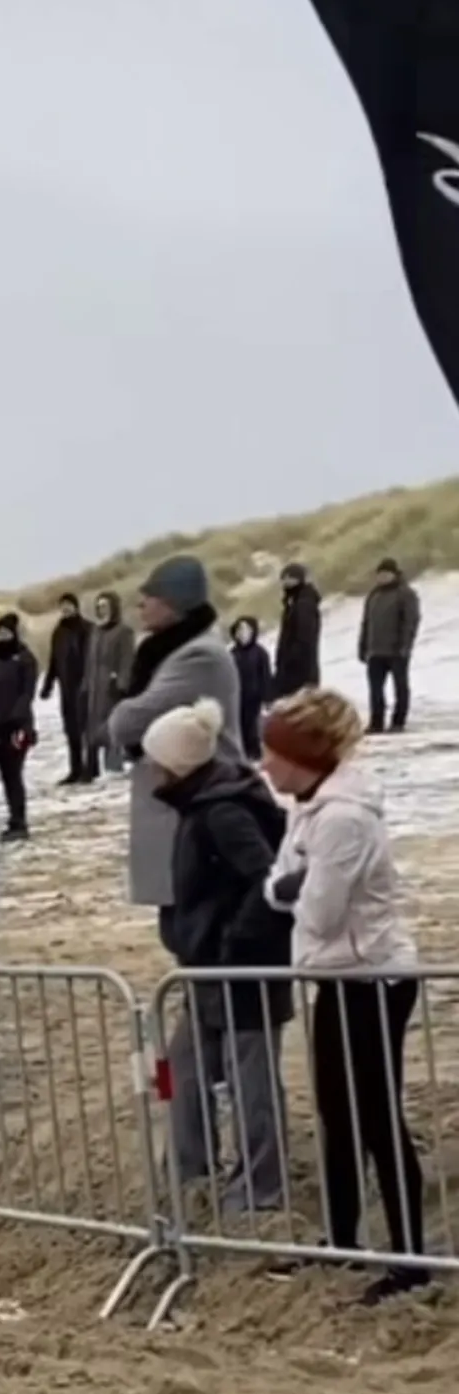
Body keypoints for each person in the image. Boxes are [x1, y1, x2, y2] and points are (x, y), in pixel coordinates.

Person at [261, 689, 427, 1300]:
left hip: (372, 979)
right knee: (337, 1111)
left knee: (377, 1116)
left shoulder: (344, 817)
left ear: (302, 755)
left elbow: (323, 912)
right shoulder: (305, 807)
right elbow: (276, 887)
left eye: (272, 752)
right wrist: (292, 888)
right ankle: (341, 1239)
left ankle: (411, 1259)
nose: (264, 766)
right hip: (332, 976)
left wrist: (294, 888)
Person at [142, 699, 291, 1214]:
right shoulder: (201, 802)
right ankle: (190, 1175)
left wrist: (236, 942)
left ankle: (259, 1190)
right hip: (207, 968)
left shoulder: (224, 810)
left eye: (156, 760)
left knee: (251, 1081)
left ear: (177, 765)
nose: (150, 770)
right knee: (181, 1070)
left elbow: (267, 878)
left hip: (242, 970)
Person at [104, 555, 242, 910]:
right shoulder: (172, 651)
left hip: (198, 802)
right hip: (182, 800)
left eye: (149, 596)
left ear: (173, 603)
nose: (140, 604)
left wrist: (120, 709)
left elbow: (127, 722)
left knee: (201, 918)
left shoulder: (198, 657)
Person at [0, 612, 39, 839]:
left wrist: (17, 718)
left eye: (6, 633)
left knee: (14, 773)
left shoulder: (24, 658)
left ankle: (20, 822)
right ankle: (14, 819)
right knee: (7, 774)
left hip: (19, 727)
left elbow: (28, 693)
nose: (2, 637)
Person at [359, 556, 422, 735]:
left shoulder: (406, 594)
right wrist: (363, 646)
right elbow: (366, 623)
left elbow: (411, 622)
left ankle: (398, 721)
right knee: (375, 690)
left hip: (396, 651)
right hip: (375, 650)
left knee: (400, 687)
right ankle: (376, 722)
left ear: (395, 574)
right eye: (380, 574)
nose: (382, 578)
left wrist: (405, 646)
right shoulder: (373, 595)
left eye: (386, 574)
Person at [42, 594, 96, 783]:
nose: (65, 609)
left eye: (69, 605)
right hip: (66, 686)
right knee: (71, 729)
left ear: (76, 606)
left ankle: (91, 768)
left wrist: (89, 681)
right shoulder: (59, 631)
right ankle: (75, 769)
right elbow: (54, 660)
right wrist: (48, 684)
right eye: (62, 606)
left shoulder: (88, 628)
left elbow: (92, 659)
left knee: (86, 727)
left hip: (85, 684)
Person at [84, 592, 135, 771]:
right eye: (98, 607)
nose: (101, 610)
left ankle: (114, 766)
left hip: (111, 686)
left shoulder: (123, 631)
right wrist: (86, 684)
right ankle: (92, 768)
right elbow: (90, 660)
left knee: (112, 726)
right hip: (94, 686)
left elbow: (126, 659)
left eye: (105, 606)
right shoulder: (96, 631)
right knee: (93, 728)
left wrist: (121, 683)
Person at [273, 560, 323, 698]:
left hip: (299, 671)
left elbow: (304, 637)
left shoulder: (304, 604)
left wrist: (289, 662)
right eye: (284, 579)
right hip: (293, 668)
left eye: (290, 578)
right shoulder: (292, 603)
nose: (285, 582)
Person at [230, 617, 273, 762]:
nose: (242, 633)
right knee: (240, 728)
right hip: (238, 698)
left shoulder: (260, 653)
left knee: (254, 729)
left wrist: (268, 698)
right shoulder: (232, 653)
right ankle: (243, 756)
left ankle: (257, 756)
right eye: (239, 630)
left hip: (255, 699)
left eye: (246, 630)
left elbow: (266, 676)